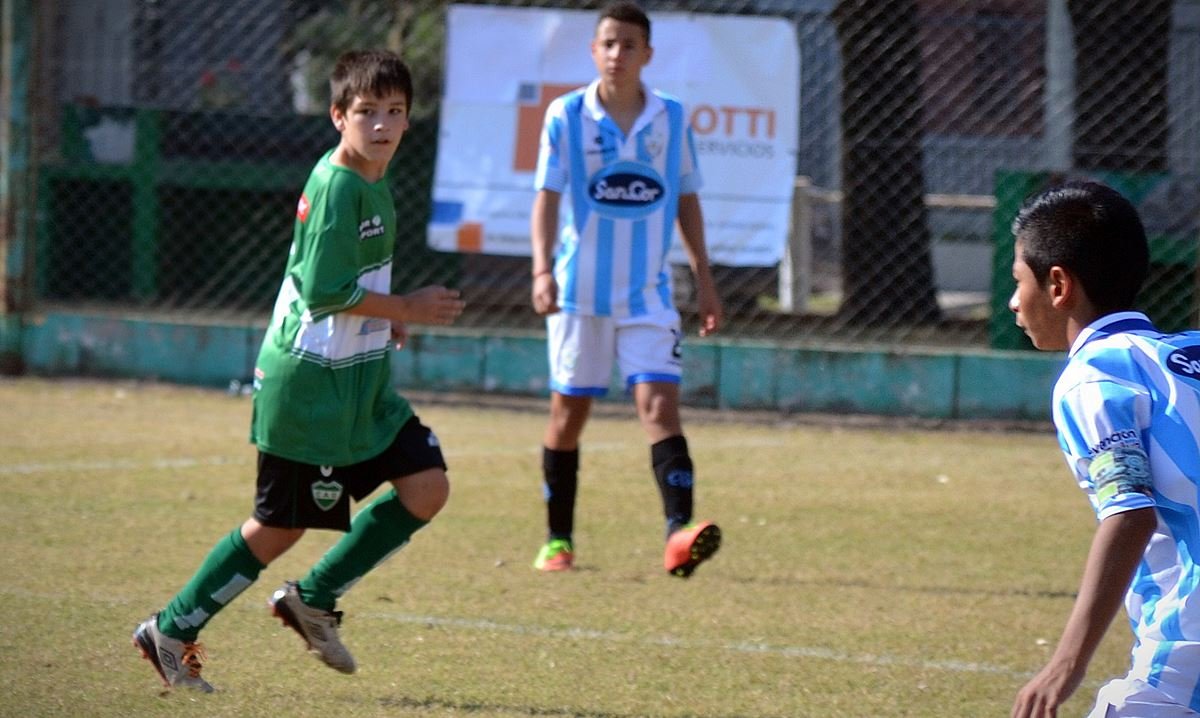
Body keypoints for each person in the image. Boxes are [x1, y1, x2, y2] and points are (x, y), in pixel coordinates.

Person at [132, 49, 466, 692]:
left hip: (360, 378)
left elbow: (348, 279)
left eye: (394, 110)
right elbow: (321, 289)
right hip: (310, 386)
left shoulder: (373, 178)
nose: (381, 124)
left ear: (408, 118)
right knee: (280, 525)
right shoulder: (339, 186)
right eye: (366, 111)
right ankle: (171, 630)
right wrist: (405, 307)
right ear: (338, 116)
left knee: (426, 488)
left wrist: (386, 317)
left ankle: (313, 599)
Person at [528, 1, 723, 578]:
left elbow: (686, 198)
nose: (617, 54)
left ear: (647, 54)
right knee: (568, 415)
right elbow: (546, 198)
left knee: (660, 407)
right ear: (594, 51)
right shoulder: (566, 115)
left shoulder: (671, 118)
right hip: (579, 294)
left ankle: (678, 535)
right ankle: (557, 541)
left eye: (629, 44)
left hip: (648, 295)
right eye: (608, 43)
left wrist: (705, 280)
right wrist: (542, 271)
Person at [1008, 181, 1200, 717]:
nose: (1014, 302)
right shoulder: (1190, 352)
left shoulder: (1094, 377)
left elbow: (1130, 513)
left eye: (1018, 281)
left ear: (1058, 285)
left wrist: (1065, 663)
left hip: (1186, 653)